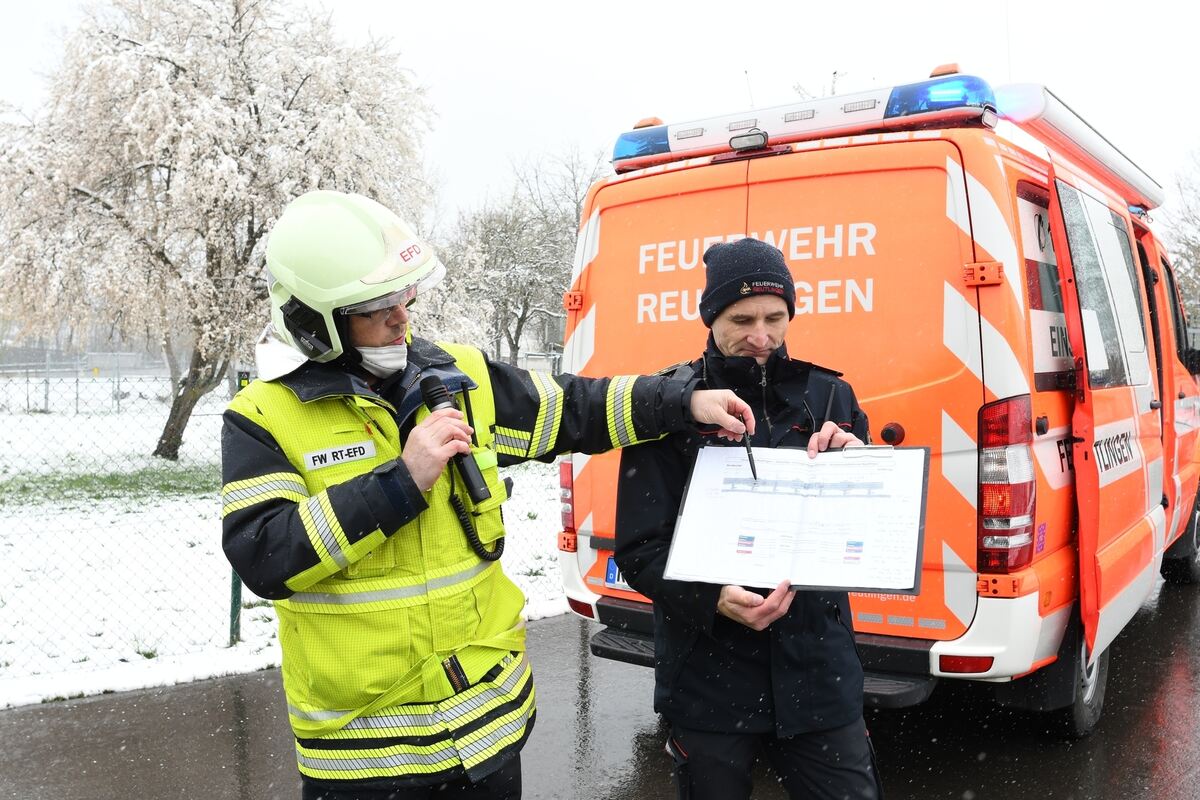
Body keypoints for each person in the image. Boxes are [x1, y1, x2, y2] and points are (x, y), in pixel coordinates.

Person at [219, 190, 753, 800]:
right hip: (365, 762)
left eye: (405, 298)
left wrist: (680, 401)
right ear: (319, 323)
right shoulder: (264, 417)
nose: (402, 318)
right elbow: (266, 555)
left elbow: (575, 409)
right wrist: (401, 481)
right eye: (378, 308)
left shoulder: (452, 373)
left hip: (488, 736)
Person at [614, 237, 882, 800]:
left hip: (818, 667)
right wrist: (711, 595)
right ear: (710, 316)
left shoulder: (831, 394)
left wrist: (861, 469)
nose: (761, 336)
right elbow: (639, 550)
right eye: (742, 319)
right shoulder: (669, 406)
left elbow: (870, 524)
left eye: (775, 317)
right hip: (708, 674)